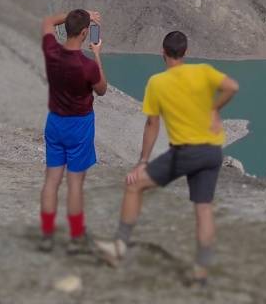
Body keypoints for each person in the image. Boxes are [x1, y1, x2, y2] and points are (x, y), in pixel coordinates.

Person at [94, 30, 239, 284]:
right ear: (185, 52)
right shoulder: (203, 71)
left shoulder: (157, 83)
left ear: (163, 53)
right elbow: (232, 86)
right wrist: (214, 109)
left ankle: (118, 248)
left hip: (186, 152)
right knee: (203, 209)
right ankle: (201, 273)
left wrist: (142, 162)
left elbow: (152, 124)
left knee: (134, 185)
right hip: (212, 152)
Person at [39, 8, 107, 253]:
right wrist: (97, 54)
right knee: (75, 183)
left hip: (55, 122)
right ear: (86, 33)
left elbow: (47, 20)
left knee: (52, 180)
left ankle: (47, 235)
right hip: (79, 126)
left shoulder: (51, 51)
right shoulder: (87, 66)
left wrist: (78, 12)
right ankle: (76, 237)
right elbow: (101, 89)